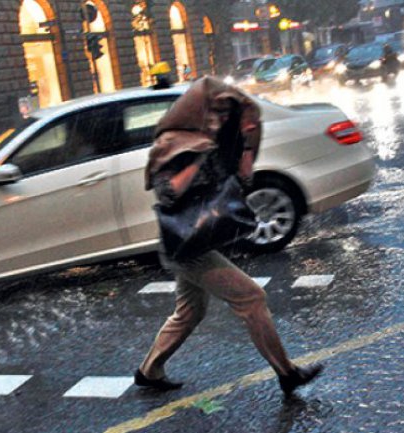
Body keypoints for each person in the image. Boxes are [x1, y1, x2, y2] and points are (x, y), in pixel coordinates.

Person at [135, 77, 323, 396]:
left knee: (190, 312)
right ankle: (286, 372)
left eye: (226, 112)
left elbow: (241, 182)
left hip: (200, 238)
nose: (221, 118)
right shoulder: (174, 142)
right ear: (198, 111)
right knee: (252, 298)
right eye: (216, 111)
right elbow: (167, 194)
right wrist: (196, 158)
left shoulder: (221, 139)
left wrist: (245, 147)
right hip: (184, 245)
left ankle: (148, 370)